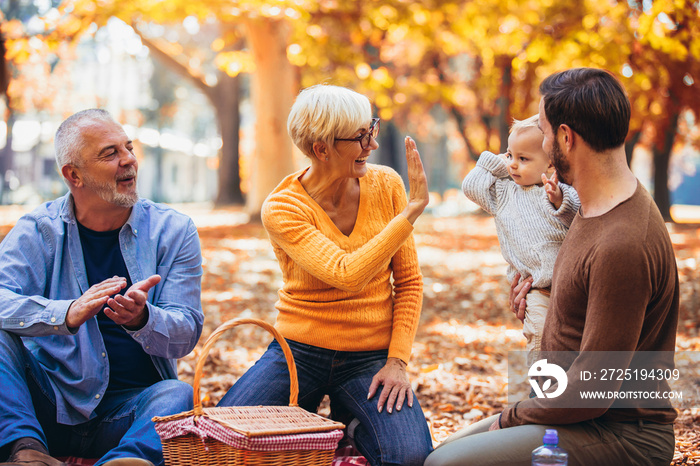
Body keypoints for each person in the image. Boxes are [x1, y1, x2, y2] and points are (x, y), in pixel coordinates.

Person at [425, 68, 679, 466]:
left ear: (565, 137)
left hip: (620, 433)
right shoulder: (588, 206)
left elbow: (591, 390)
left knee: (444, 465)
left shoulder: (623, 243)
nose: (539, 143)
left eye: (543, 132)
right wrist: (544, 294)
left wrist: (513, 415)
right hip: (566, 407)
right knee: (435, 455)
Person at [217, 84, 433, 466]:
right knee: (226, 440)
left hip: (370, 357)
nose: (373, 145)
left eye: (372, 130)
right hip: (298, 351)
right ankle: (322, 424)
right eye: (361, 137)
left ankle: (350, 425)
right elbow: (345, 274)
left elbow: (410, 283)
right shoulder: (282, 208)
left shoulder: (386, 185)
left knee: (410, 456)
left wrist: (397, 361)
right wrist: (410, 214)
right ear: (322, 149)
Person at [0, 109, 204, 466]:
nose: (128, 160)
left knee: (178, 395)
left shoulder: (173, 231)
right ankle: (26, 451)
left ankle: (125, 460)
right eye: (110, 153)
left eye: (129, 148)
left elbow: (186, 330)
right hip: (47, 405)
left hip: (129, 413)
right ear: (73, 174)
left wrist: (143, 319)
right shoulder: (39, 230)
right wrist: (65, 313)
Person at [461, 114, 579, 362]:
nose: (513, 164)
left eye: (523, 158)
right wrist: (496, 162)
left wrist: (559, 199)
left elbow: (577, 216)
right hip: (536, 289)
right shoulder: (504, 192)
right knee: (538, 336)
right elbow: (472, 187)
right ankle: (543, 385)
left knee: (568, 342)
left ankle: (568, 384)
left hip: (570, 286)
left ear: (549, 164)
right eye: (510, 155)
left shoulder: (557, 190)